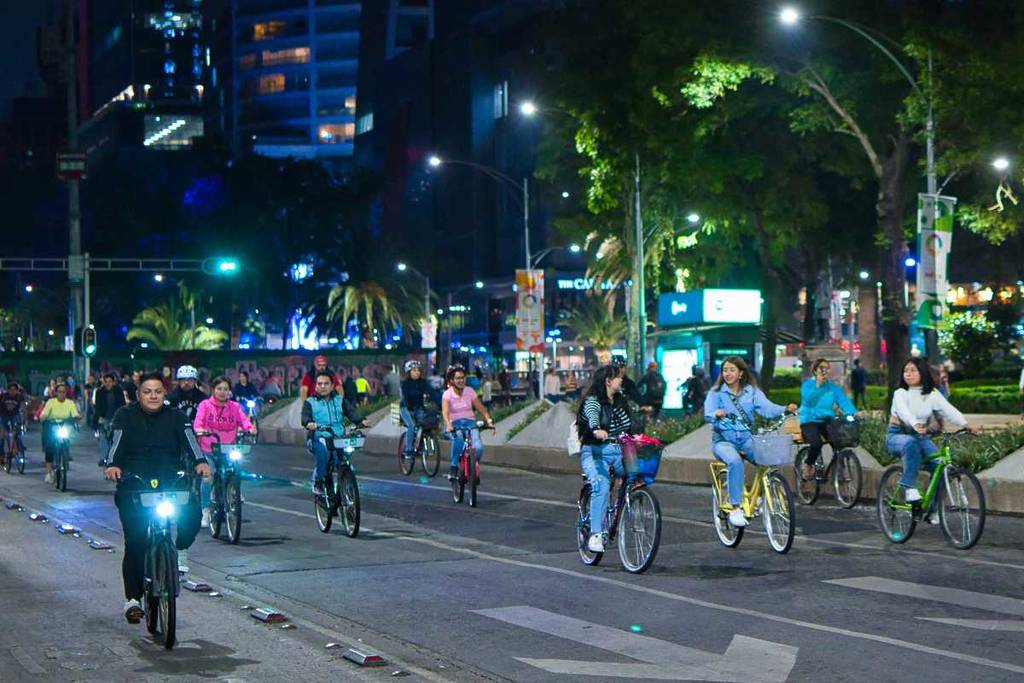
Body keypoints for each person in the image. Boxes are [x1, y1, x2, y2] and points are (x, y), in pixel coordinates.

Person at [103, 371, 210, 622]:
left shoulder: (177, 417)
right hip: (134, 484)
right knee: (136, 541)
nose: (153, 396)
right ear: (138, 394)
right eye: (147, 392)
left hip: (171, 481)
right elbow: (116, 443)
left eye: (158, 392)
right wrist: (113, 465)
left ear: (164, 393)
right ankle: (132, 599)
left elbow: (191, 442)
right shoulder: (125, 415)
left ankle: (178, 550)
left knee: (192, 515)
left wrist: (201, 462)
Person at [705, 356, 797, 528]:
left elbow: (767, 408)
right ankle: (735, 508)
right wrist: (715, 414)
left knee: (768, 459)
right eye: (725, 370)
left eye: (732, 370)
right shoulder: (716, 393)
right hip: (723, 441)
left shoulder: (751, 392)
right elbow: (707, 413)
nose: (727, 373)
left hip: (747, 439)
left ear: (741, 373)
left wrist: (784, 409)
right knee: (734, 461)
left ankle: (762, 495)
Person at [886, 357, 976, 505]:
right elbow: (903, 412)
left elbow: (948, 409)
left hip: (920, 436)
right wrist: (915, 424)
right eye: (905, 371)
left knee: (940, 467)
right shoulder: (900, 393)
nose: (908, 374)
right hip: (897, 434)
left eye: (913, 370)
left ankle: (931, 509)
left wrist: (965, 423)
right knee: (910, 443)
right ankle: (909, 488)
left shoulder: (932, 394)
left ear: (923, 372)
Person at [577, 365, 635, 553]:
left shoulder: (620, 400)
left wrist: (639, 435)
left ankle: (621, 504)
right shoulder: (593, 401)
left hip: (617, 451)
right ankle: (595, 534)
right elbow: (593, 416)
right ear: (608, 381)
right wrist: (596, 430)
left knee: (635, 475)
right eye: (618, 377)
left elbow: (630, 424)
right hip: (594, 451)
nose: (621, 380)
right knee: (601, 485)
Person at [193, 376, 258, 527]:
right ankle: (205, 510)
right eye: (219, 389)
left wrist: (250, 428)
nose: (222, 392)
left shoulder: (234, 407)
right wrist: (200, 429)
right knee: (208, 478)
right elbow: (198, 422)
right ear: (213, 390)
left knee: (236, 468)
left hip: (228, 448)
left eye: (226, 389)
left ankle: (233, 489)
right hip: (209, 449)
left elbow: (244, 421)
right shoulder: (205, 405)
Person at [302, 371, 368, 494]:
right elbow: (305, 417)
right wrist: (309, 423)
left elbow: (351, 412)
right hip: (319, 436)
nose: (323, 386)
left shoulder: (340, 400)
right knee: (322, 452)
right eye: (319, 384)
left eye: (326, 384)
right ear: (315, 386)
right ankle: (319, 480)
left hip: (338, 437)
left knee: (343, 456)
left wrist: (360, 420)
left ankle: (345, 478)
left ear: (332, 386)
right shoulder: (310, 402)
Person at [798, 359, 861, 480]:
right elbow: (809, 401)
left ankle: (840, 469)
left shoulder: (832, 388)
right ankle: (808, 464)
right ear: (815, 371)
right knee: (816, 444)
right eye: (822, 368)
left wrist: (854, 413)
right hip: (809, 420)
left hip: (827, 419)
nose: (825, 371)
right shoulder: (808, 385)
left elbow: (843, 401)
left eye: (827, 368)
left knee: (839, 441)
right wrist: (818, 386)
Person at [441, 365, 494, 482]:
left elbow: (481, 407)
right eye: (458, 378)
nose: (461, 380)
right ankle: (454, 467)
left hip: (470, 423)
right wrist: (448, 425)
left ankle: (472, 466)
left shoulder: (470, 391)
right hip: (454, 424)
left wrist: (488, 419)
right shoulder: (447, 394)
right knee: (459, 439)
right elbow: (445, 412)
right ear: (451, 380)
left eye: (463, 378)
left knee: (478, 448)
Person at [39, 382, 82, 484]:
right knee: (49, 447)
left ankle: (65, 457)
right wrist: (43, 417)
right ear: (56, 393)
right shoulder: (51, 402)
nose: (61, 394)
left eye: (63, 392)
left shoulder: (70, 403)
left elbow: (75, 413)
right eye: (59, 392)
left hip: (65, 425)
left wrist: (77, 417)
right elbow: (45, 413)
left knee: (68, 438)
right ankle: (48, 472)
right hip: (52, 425)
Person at [399, 360, 440, 461]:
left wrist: (440, 404)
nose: (417, 372)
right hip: (406, 408)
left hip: (418, 407)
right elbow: (405, 398)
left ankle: (419, 445)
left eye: (418, 370)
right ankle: (408, 450)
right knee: (411, 425)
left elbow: (432, 393)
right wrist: (410, 408)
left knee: (424, 424)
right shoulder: (405, 384)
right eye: (414, 370)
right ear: (409, 372)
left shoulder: (423, 382)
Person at [92, 372, 126, 467]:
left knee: (115, 439)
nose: (108, 384)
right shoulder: (99, 392)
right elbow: (97, 406)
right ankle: (103, 458)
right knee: (103, 438)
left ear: (113, 382)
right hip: (104, 418)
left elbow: (122, 404)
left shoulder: (118, 391)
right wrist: (99, 417)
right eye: (106, 382)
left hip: (116, 418)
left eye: (110, 381)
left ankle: (113, 458)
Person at [0, 382, 27, 459]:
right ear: (8, 390)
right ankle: (1, 453)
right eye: (11, 390)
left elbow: (23, 408)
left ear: (17, 391)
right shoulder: (3, 396)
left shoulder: (19, 397)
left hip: (14, 415)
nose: (12, 391)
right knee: (2, 434)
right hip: (4, 415)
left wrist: (24, 420)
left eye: (14, 390)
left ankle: (16, 447)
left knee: (16, 431)